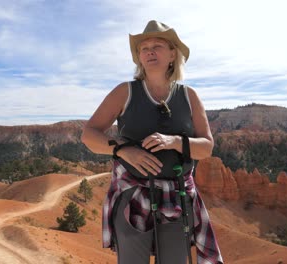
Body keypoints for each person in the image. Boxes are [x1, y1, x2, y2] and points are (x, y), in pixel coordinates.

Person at [81, 20, 223, 264]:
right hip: (133, 196)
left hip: (176, 197)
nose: (149, 51)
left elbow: (206, 147)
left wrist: (175, 141)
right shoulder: (124, 92)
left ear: (172, 54)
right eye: (144, 48)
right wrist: (124, 150)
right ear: (139, 57)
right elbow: (89, 135)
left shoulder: (189, 96)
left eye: (157, 45)